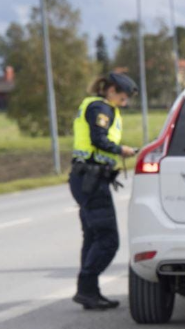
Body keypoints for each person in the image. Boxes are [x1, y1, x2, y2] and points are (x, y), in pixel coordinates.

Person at [69, 72, 138, 310]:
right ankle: (87, 287)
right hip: (91, 179)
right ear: (111, 91)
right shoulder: (101, 109)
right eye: (123, 96)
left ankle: (88, 292)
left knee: (93, 237)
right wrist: (122, 150)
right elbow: (98, 139)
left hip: (85, 177)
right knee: (108, 240)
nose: (125, 102)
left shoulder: (97, 106)